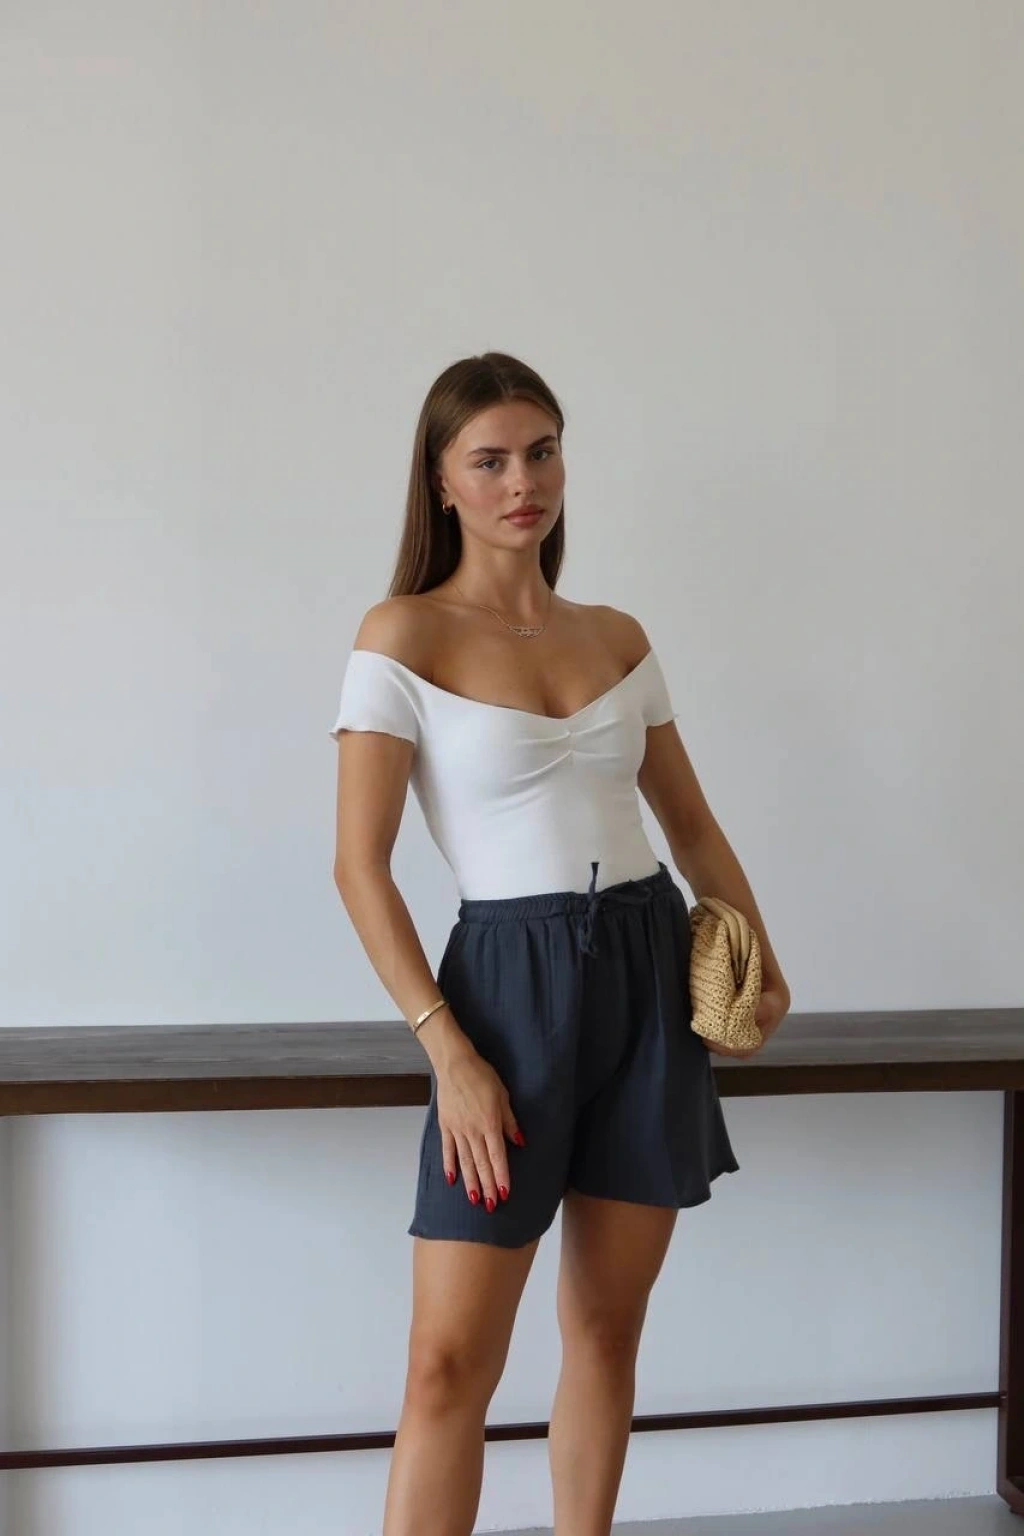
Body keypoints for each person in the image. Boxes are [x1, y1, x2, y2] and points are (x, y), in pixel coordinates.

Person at [330, 351, 791, 1536]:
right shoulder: (401, 635)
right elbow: (359, 867)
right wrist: (450, 1051)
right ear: (441, 482)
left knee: (604, 1330)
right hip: (502, 991)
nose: (521, 481)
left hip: (647, 975)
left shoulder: (615, 636)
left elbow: (689, 826)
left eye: (540, 452)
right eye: (488, 461)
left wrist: (756, 948)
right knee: (446, 1366)